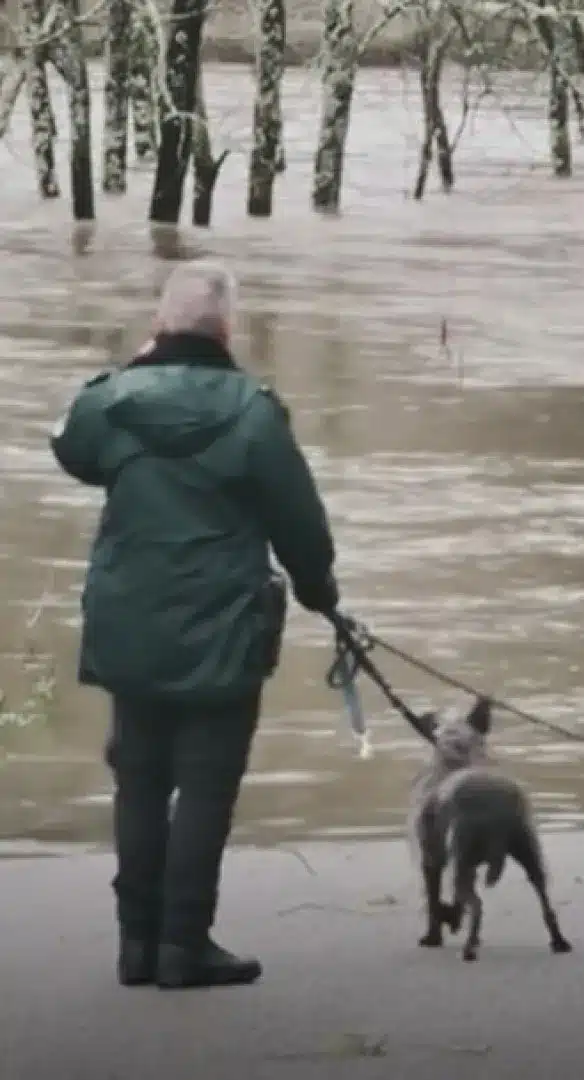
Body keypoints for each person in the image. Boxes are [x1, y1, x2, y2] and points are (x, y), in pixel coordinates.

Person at [49, 262, 341, 990]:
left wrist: (135, 369)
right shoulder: (252, 413)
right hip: (225, 623)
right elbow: (299, 523)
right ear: (227, 329)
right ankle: (183, 945)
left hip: (130, 620)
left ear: (158, 324)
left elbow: (71, 452)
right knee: (207, 786)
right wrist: (319, 592)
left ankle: (135, 946)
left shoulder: (112, 401)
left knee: (139, 781)